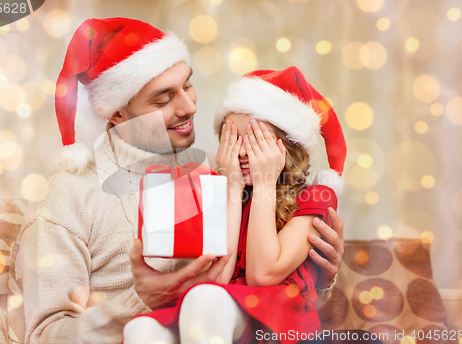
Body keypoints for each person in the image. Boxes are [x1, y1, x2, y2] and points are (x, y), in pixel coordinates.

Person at [18, 18, 345, 344]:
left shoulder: (213, 177)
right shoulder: (70, 195)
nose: (190, 107)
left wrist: (317, 271)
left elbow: (257, 292)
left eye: (188, 85)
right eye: (162, 100)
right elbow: (44, 337)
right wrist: (141, 301)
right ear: (117, 113)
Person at [123, 66, 347, 344]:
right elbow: (219, 277)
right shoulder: (223, 189)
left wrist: (266, 182)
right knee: (141, 329)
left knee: (204, 298)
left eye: (254, 140)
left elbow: (262, 275)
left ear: (288, 145)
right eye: (232, 139)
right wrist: (231, 187)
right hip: (220, 306)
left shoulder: (316, 196)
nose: (241, 152)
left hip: (279, 317)